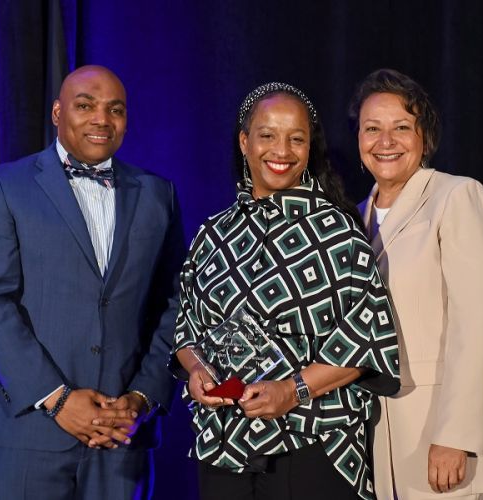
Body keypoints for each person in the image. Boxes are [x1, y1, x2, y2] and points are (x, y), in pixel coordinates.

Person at [0, 65, 185, 499]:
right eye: (85, 106)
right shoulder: (4, 186)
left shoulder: (159, 194)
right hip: (26, 436)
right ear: (57, 112)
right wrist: (58, 399)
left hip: (121, 439)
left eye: (114, 110)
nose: (101, 119)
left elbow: (176, 304)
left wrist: (141, 396)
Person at [169, 82, 400, 500]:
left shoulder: (338, 232)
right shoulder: (213, 234)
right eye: (267, 135)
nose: (282, 150)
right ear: (244, 142)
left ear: (310, 148)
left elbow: (366, 343)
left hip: (313, 444)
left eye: (297, 138)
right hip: (225, 445)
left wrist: (291, 390)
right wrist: (197, 372)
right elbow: (185, 329)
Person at [348, 68, 483, 499]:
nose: (385, 141)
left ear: (426, 136)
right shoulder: (354, 217)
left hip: (439, 436)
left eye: (402, 127)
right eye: (372, 129)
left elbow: (479, 323)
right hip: (375, 432)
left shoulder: (457, 197)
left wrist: (456, 434)